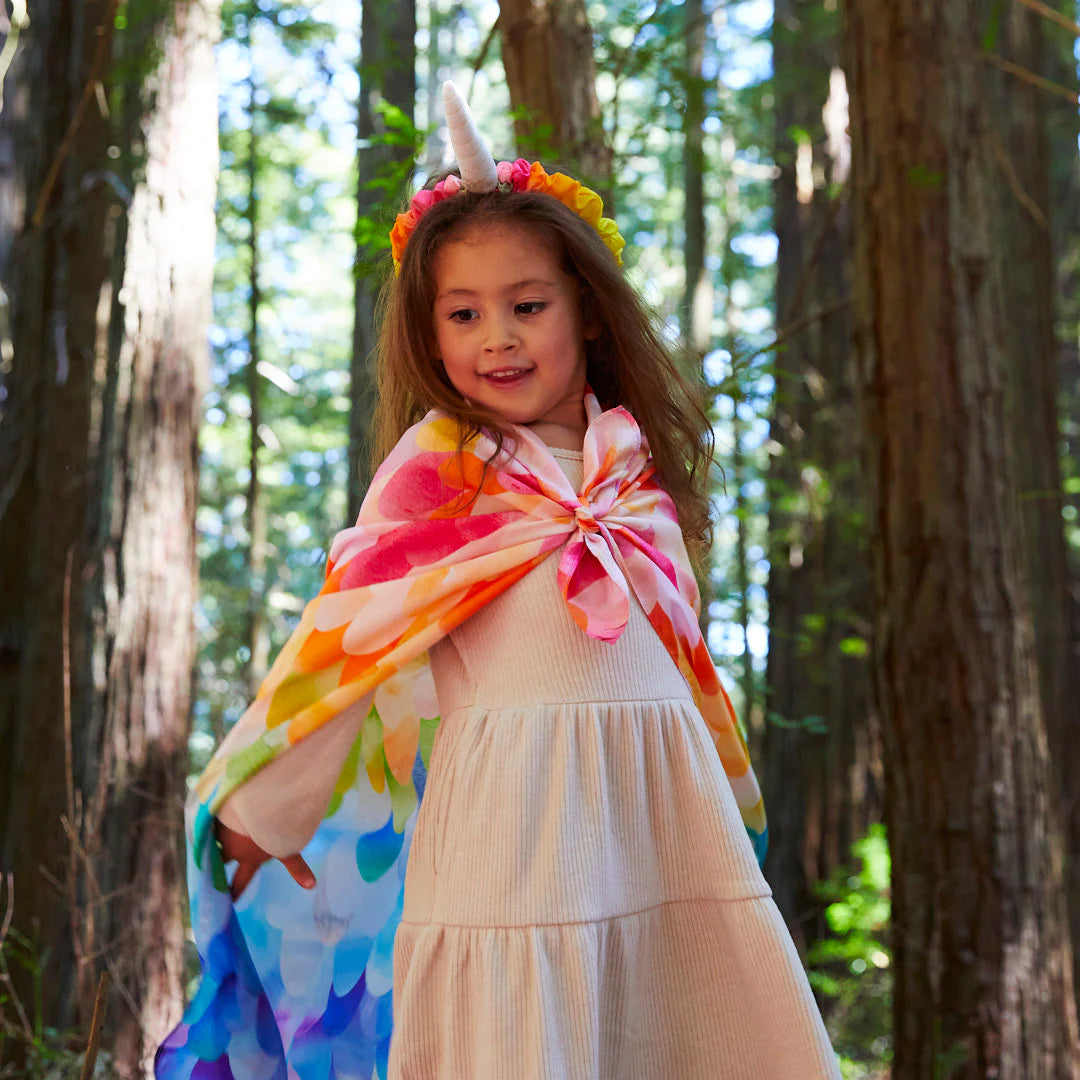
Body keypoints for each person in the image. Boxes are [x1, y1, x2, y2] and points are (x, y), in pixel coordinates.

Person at [156, 82, 841, 1080]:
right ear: (432, 336)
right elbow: (353, 644)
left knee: (687, 1030)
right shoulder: (443, 471)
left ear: (588, 314)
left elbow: (682, 652)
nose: (498, 338)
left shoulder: (631, 467)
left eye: (528, 306)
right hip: (512, 838)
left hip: (661, 834)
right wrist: (267, 810)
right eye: (466, 314)